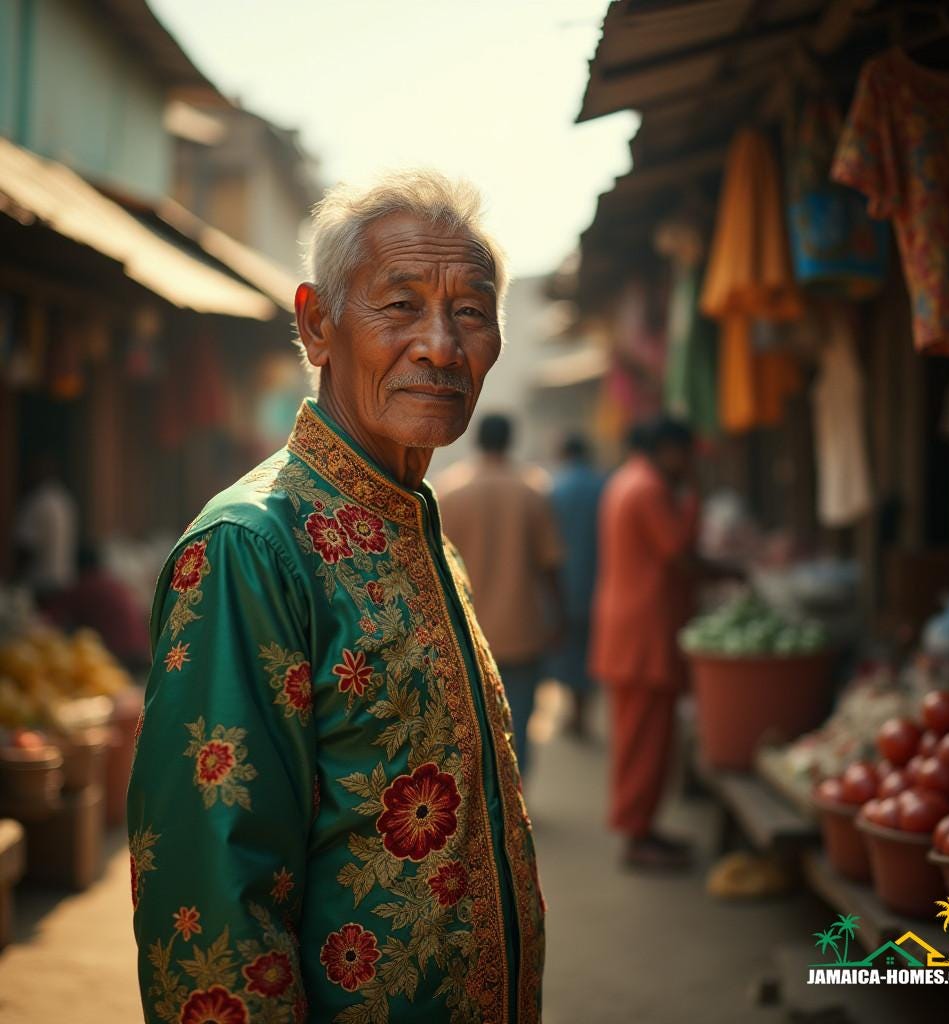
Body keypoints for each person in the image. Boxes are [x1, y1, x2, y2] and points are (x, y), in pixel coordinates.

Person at [128, 172, 544, 1024]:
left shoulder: (413, 521)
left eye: (471, 311)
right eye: (400, 306)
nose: (441, 345)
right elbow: (215, 905)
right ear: (318, 324)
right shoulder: (251, 548)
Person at [589, 417, 701, 871]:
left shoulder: (629, 479)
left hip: (632, 630)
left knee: (644, 740)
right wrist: (692, 500)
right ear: (670, 449)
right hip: (644, 634)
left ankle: (643, 828)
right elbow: (677, 550)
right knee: (646, 742)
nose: (689, 463)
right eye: (686, 454)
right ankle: (637, 835)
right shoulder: (650, 488)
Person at [435, 414, 563, 779]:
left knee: (467, 727)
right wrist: (559, 617)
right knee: (518, 724)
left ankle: (477, 808)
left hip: (465, 632)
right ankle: (515, 809)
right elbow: (550, 564)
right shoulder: (532, 491)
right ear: (511, 441)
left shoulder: (449, 491)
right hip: (522, 630)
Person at [545, 433, 604, 739]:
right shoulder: (603, 487)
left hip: (564, 583)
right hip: (600, 582)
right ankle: (584, 715)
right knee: (592, 650)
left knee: (568, 652)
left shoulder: (555, 489)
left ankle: (572, 711)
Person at [46, 544, 151, 673]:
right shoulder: (112, 582)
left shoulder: (85, 586)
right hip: (142, 648)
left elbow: (52, 619)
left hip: (120, 654)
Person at [14, 451, 77, 600]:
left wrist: (14, 580)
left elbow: (26, 546)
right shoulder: (64, 500)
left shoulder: (37, 501)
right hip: (65, 581)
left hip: (40, 584)